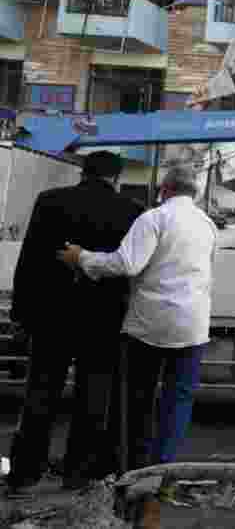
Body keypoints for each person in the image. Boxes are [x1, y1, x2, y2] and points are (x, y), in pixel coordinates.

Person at [58, 166, 218, 469]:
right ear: (193, 193)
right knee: (178, 401)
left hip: (150, 326)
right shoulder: (207, 224)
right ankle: (163, 468)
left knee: (138, 398)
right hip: (193, 326)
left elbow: (127, 264)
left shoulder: (153, 218)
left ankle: (133, 466)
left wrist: (81, 257)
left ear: (165, 189)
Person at [5, 152, 144, 494]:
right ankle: (78, 474)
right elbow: (130, 271)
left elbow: (30, 260)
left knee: (40, 394)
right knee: (93, 398)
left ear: (83, 172)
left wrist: (20, 315)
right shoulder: (132, 211)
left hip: (51, 317)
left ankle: (25, 474)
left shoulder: (51, 201)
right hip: (103, 321)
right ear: (116, 177)